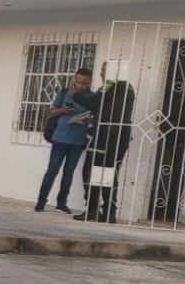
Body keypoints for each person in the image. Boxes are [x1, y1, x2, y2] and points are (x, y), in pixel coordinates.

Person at [35, 66, 96, 213]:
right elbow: (50, 112)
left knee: (69, 174)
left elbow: (95, 117)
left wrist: (89, 120)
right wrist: (62, 110)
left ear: (90, 82)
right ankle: (41, 203)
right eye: (78, 82)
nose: (81, 86)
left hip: (78, 142)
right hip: (60, 139)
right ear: (74, 80)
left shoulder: (93, 97)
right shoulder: (64, 92)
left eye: (85, 83)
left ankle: (61, 204)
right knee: (52, 171)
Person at [77, 79, 136, 223]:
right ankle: (109, 212)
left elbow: (93, 103)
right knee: (109, 173)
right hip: (120, 136)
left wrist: (75, 93)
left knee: (91, 171)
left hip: (106, 136)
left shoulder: (111, 84)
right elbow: (111, 109)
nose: (102, 73)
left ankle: (93, 211)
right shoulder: (128, 87)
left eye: (104, 70)